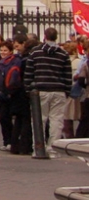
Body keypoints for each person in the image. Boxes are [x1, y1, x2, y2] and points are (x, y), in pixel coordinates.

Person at [26, 26, 73, 156]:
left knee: (39, 119)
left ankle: (38, 148)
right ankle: (53, 148)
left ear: (45, 37)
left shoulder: (35, 52)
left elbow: (29, 73)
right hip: (58, 90)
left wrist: (28, 89)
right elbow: (67, 75)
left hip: (40, 90)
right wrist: (66, 91)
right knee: (56, 120)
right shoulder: (63, 54)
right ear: (56, 37)